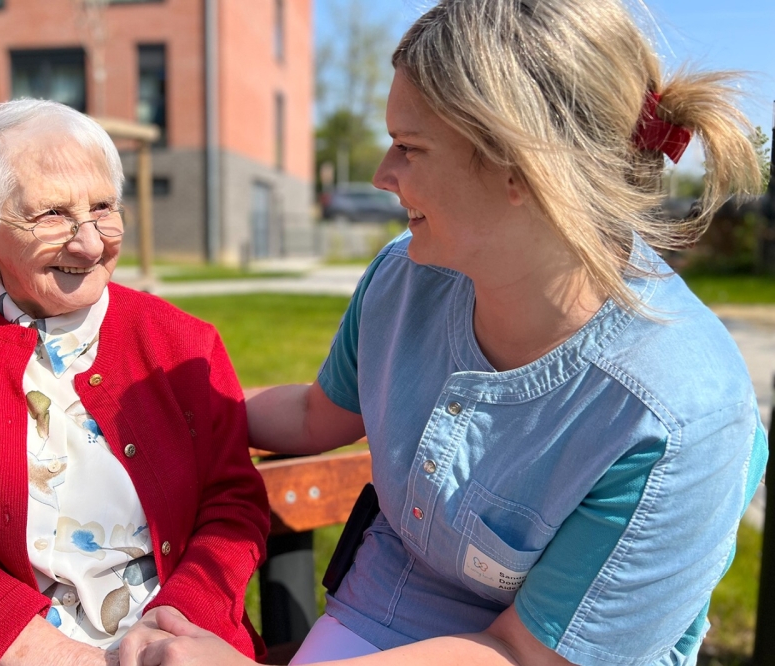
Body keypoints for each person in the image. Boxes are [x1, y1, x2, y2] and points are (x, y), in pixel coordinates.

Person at [130, 0, 768, 664]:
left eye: (409, 147)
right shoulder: (407, 279)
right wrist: (171, 413)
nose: (382, 176)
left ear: (522, 169)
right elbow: (318, 414)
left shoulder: (677, 418)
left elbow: (525, 653)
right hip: (390, 603)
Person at [0, 99, 269, 666]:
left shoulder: (181, 341)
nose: (90, 244)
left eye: (103, 208)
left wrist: (180, 625)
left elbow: (232, 504)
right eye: (52, 215)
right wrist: (47, 653)